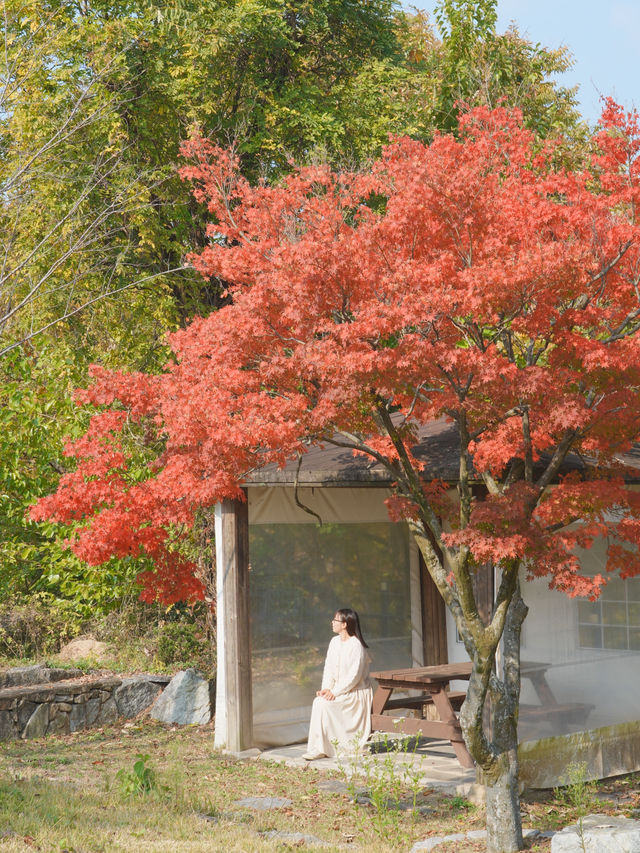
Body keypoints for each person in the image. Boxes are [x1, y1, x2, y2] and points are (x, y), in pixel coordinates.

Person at [302, 607, 373, 760]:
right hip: (338, 691)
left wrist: (334, 693)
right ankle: (318, 747)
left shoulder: (356, 646)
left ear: (345, 624)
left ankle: (325, 748)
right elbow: (328, 668)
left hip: (355, 694)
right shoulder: (334, 642)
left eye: (335, 620)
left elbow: (354, 677)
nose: (332, 622)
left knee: (324, 704)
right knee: (318, 701)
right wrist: (326, 689)